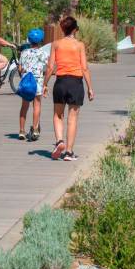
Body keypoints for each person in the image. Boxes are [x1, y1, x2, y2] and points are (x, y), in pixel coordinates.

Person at [43, 17, 95, 161]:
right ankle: (69, 152)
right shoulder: (79, 45)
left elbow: (50, 67)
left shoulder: (56, 44)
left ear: (63, 29)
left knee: (58, 115)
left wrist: (45, 84)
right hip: (75, 83)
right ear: (75, 30)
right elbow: (84, 68)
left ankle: (59, 141)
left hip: (60, 83)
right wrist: (90, 87)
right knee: (72, 118)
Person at [18, 28, 48, 141]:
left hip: (26, 82)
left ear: (29, 40)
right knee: (37, 106)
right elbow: (49, 66)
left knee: (24, 106)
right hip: (38, 82)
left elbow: (20, 69)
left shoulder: (24, 53)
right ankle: (35, 129)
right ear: (40, 41)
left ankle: (21, 131)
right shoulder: (43, 53)